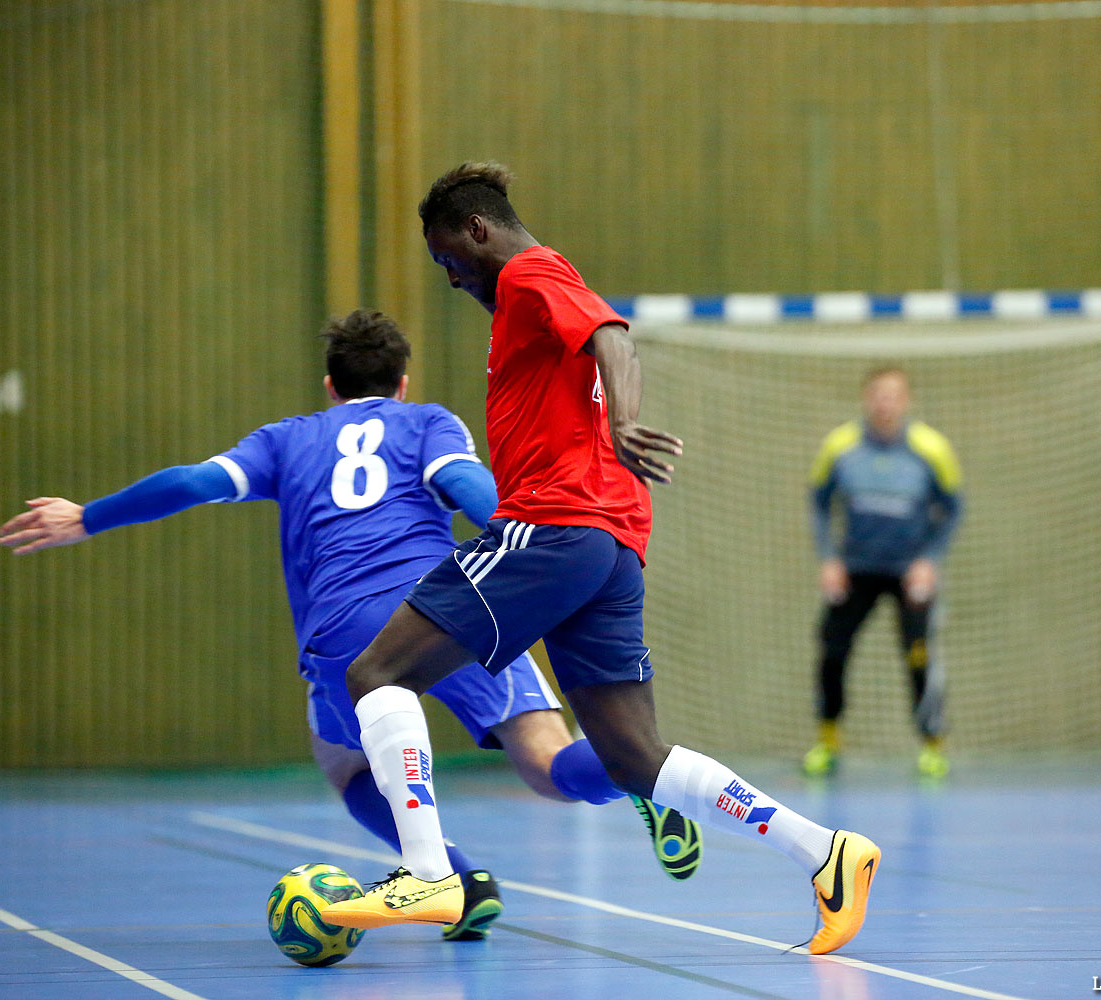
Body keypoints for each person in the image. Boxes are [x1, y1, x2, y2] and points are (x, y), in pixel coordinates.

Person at [0, 309, 703, 942]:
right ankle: (640, 775)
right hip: (455, 606)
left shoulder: (286, 440)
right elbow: (469, 491)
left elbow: (190, 482)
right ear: (402, 382)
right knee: (552, 763)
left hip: (345, 631)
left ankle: (450, 879)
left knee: (344, 763)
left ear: (329, 385)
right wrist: (547, 552)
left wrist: (86, 517)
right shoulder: (428, 422)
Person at [318, 162, 880, 956]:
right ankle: (825, 852)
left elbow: (612, 333)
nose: (451, 279)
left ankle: (427, 872)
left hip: (554, 527)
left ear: (479, 230)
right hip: (609, 547)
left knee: (376, 674)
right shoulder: (523, 302)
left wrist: (620, 421)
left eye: (449, 260)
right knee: (631, 755)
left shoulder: (529, 273)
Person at [803, 367, 964, 780]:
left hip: (909, 570)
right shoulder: (840, 446)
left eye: (893, 395)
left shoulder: (931, 449)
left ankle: (933, 745)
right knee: (832, 651)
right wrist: (829, 559)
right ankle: (827, 741)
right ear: (866, 399)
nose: (885, 403)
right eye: (878, 394)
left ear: (906, 400)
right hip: (854, 569)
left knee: (919, 655)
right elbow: (819, 502)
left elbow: (953, 507)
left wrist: (929, 560)